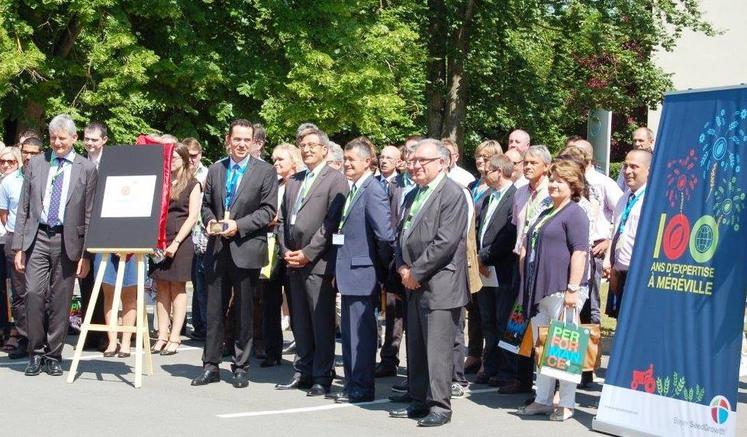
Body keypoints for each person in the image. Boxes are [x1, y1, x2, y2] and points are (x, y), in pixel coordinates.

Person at [191, 120, 278, 388]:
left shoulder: (265, 171)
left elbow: (267, 211)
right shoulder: (217, 170)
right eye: (236, 139)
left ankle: (241, 366)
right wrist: (209, 221)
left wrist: (238, 226)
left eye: (246, 140)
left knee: (243, 311)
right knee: (214, 310)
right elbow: (206, 205)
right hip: (217, 249)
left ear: (253, 142)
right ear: (228, 140)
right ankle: (211, 365)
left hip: (246, 248)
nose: (241, 144)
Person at [389, 139, 468, 427]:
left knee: (437, 350)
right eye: (412, 160)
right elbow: (401, 234)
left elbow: (445, 243)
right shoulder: (414, 194)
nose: (415, 165)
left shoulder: (452, 194)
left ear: (442, 162)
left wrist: (415, 272)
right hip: (414, 283)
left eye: (422, 160)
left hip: (440, 285)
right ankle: (419, 401)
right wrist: (401, 266)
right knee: (418, 348)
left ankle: (440, 407)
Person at [13, 114, 98, 376]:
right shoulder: (37, 164)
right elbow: (24, 208)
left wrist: (86, 255)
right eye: (53, 138)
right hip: (37, 237)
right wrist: (19, 247)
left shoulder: (86, 168)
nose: (57, 143)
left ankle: (53, 355)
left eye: (62, 138)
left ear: (74, 139)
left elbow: (90, 213)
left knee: (61, 299)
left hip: (68, 240)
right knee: (34, 294)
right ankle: (35, 352)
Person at [275, 126, 347, 396]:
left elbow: (331, 224)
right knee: (300, 321)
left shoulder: (334, 179)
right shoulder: (295, 180)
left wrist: (308, 252)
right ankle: (303, 370)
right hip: (293, 262)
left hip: (318, 263)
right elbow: (282, 219)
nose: (306, 149)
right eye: (302, 145)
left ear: (324, 150)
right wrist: (285, 249)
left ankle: (321, 375)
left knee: (321, 322)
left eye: (312, 145)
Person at [515, 159, 590, 422]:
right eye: (553, 179)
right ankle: (543, 399)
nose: (554, 184)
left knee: (564, 349)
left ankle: (567, 402)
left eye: (561, 180)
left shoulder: (575, 213)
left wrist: (572, 289)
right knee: (543, 347)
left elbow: (580, 252)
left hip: (562, 291)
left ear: (573, 185)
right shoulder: (547, 210)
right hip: (540, 291)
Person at [332, 138, 394, 403]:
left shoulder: (373, 189)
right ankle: (351, 382)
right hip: (349, 271)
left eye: (351, 160)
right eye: (345, 159)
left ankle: (362, 386)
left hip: (363, 272)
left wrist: (381, 272)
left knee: (362, 334)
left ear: (368, 162)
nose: (346, 164)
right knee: (349, 333)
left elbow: (385, 236)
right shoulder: (354, 188)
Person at [498, 145, 552, 394]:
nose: (528, 167)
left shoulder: (552, 193)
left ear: (547, 167)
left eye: (533, 163)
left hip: (543, 267)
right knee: (519, 319)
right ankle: (520, 377)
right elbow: (516, 229)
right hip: (520, 263)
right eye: (526, 163)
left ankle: (548, 382)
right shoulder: (520, 193)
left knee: (544, 323)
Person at [150, 144, 202, 355]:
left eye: (175, 159)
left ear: (184, 160)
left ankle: (175, 336)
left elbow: (192, 217)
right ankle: (162, 334)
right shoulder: (161, 183)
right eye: (169, 159)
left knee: (177, 289)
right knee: (161, 287)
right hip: (159, 241)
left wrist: (176, 242)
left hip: (181, 242)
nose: (171, 162)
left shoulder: (192, 184)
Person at [376, 137, 418, 381]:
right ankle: (389, 358)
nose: (412, 159)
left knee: (414, 317)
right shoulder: (395, 185)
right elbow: (388, 222)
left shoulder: (428, 187)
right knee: (392, 313)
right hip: (395, 259)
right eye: (409, 154)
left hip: (418, 264)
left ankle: (415, 368)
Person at [473, 155, 518, 386]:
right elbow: (480, 227)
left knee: (503, 321)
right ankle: (490, 366)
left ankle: (507, 369)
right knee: (487, 321)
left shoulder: (515, 197)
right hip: (484, 268)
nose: (484, 174)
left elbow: (509, 235)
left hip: (502, 268)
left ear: (499, 171)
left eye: (488, 170)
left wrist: (484, 256)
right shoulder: (489, 197)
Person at [260, 143, 303, 367]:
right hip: (270, 247)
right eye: (274, 159)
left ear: (293, 163)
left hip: (293, 249)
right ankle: (272, 351)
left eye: (281, 160)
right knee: (269, 300)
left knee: (296, 303)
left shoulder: (301, 184)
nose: (275, 163)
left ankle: (302, 350)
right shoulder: (273, 185)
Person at [464, 139, 503, 375]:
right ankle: (474, 353)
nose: (481, 161)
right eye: (478, 157)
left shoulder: (495, 189)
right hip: (471, 256)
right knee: (475, 310)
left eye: (486, 158)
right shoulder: (473, 185)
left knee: (490, 313)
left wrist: (483, 257)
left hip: (488, 259)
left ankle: (490, 359)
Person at [0, 139, 40, 359]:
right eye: (25, 152)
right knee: (18, 293)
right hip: (15, 237)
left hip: (40, 237)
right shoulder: (9, 182)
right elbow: (4, 215)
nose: (28, 157)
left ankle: (42, 339)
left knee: (40, 291)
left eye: (33, 153)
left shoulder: (47, 176)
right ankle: (25, 339)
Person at [604, 149, 651, 318]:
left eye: (634, 167)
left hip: (640, 273)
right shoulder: (624, 199)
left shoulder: (652, 201)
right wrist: (611, 264)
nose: (627, 171)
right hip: (620, 271)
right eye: (625, 166)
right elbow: (617, 230)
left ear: (649, 170)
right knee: (621, 321)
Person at [78, 122, 109, 351]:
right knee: (86, 280)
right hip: (83, 228)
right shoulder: (80, 164)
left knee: (105, 281)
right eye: (87, 139)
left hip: (105, 228)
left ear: (104, 140)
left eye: (94, 139)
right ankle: (89, 331)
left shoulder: (111, 163)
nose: (90, 143)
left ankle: (105, 334)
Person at [183, 137, 209, 341]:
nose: (191, 160)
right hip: (183, 232)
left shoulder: (208, 174)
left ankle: (204, 326)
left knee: (202, 281)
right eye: (188, 156)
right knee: (188, 280)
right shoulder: (179, 174)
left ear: (200, 154)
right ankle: (194, 325)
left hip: (202, 233)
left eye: (195, 155)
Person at [0, 146, 20, 348]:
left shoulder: (19, 182)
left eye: (10, 161)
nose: (6, 165)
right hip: (5, 238)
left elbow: (6, 217)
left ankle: (14, 331)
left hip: (8, 239)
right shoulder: (3, 182)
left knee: (12, 288)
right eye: (2, 161)